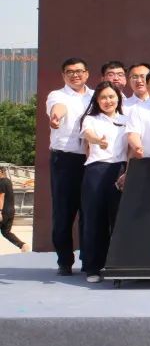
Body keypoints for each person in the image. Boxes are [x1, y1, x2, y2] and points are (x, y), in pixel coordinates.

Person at [46, 56, 93, 275]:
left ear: (87, 74)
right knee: (64, 211)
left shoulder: (96, 96)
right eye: (70, 72)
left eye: (79, 71)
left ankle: (89, 258)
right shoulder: (57, 95)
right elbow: (59, 108)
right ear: (63, 75)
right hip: (65, 159)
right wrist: (56, 117)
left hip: (92, 159)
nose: (75, 75)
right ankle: (64, 260)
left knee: (90, 211)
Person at [78, 81, 128, 282]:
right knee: (94, 219)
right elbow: (88, 134)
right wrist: (98, 140)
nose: (108, 101)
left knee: (119, 219)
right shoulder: (91, 119)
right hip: (97, 171)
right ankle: (93, 267)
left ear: (118, 98)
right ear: (97, 101)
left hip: (121, 170)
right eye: (103, 98)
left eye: (111, 96)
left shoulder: (127, 119)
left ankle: (117, 265)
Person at [0, 166, 29, 252]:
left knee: (6, 232)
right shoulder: (8, 181)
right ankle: (22, 245)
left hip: (3, 211)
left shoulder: (1, 183)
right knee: (6, 232)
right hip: (11, 211)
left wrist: (0, 211)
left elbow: (1, 197)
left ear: (1, 172)